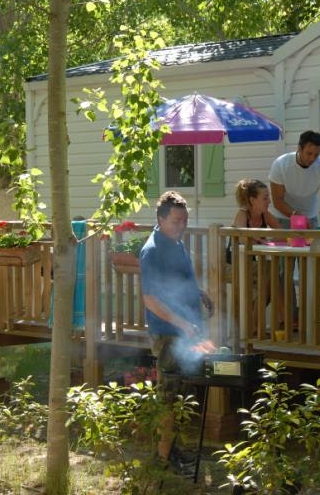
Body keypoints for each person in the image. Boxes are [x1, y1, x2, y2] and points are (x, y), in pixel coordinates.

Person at [140, 190, 214, 469]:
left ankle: (175, 451)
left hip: (185, 331)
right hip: (169, 333)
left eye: (184, 220)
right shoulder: (153, 251)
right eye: (176, 221)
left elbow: (179, 282)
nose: (181, 226)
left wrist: (200, 292)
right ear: (160, 219)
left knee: (182, 395)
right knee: (169, 396)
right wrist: (182, 323)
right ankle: (162, 459)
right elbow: (150, 299)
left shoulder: (177, 244)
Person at [228, 179, 285, 335]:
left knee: (272, 277)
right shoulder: (242, 214)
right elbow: (242, 237)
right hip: (234, 264)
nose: (269, 201)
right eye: (265, 198)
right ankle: (282, 320)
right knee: (271, 278)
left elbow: (281, 232)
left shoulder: (265, 215)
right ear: (252, 200)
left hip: (253, 263)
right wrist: (261, 238)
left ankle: (262, 325)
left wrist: (268, 238)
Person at [269, 130, 320, 228]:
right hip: (283, 218)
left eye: (316, 155)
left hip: (310, 217)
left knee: (314, 243)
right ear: (299, 148)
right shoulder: (280, 164)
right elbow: (278, 201)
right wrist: (298, 216)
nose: (312, 158)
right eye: (309, 153)